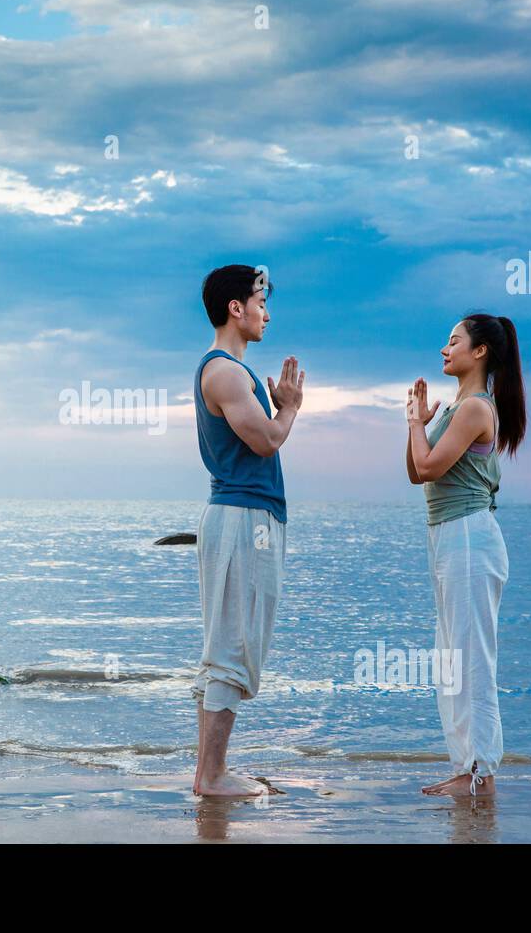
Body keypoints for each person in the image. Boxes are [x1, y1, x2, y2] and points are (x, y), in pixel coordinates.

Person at [191, 264, 304, 797]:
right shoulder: (226, 373)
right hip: (241, 519)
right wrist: (291, 409)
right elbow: (265, 441)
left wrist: (279, 406)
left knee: (230, 645)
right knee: (232, 648)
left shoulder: (236, 372)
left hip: (245, 518)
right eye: (261, 299)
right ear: (236, 307)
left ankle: (211, 772)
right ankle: (211, 776)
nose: (267, 311)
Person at [405, 313, 526, 797]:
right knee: (451, 658)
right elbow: (417, 472)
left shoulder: (477, 408)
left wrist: (419, 428)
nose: (443, 349)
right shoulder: (457, 408)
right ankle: (466, 768)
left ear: (479, 352)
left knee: (471, 658)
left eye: (453, 341)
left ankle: (479, 773)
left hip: (470, 538)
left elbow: (430, 464)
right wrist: (416, 423)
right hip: (449, 537)